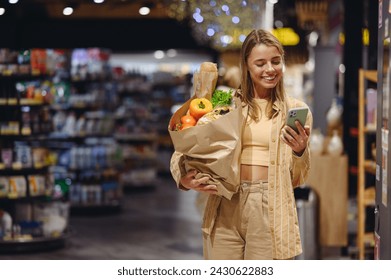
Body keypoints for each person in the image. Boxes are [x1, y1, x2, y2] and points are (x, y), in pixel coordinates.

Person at [170, 29, 312, 260]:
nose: (270, 69)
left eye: (276, 61)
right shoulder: (224, 104)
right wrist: (183, 178)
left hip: (270, 206)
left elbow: (299, 178)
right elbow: (185, 146)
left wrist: (299, 151)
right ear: (246, 65)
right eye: (260, 63)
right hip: (224, 202)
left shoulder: (294, 110)